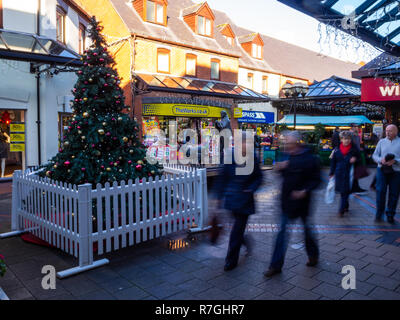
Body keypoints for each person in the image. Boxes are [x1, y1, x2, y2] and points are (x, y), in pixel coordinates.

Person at [264, 131, 320, 277]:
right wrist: (278, 168)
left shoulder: (309, 158)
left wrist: (305, 190)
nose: (286, 145)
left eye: (288, 142)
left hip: (303, 203)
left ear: (296, 142)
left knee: (308, 232)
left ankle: (313, 255)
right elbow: (281, 174)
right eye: (285, 142)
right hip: (287, 202)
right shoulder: (285, 155)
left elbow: (317, 180)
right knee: (282, 233)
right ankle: (275, 265)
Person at [216, 131, 263, 271]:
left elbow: (259, 177)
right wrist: (218, 197)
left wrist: (251, 189)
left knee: (236, 231)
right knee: (237, 229)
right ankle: (246, 242)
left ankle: (231, 260)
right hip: (231, 198)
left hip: (245, 199)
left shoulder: (253, 157)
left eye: (247, 142)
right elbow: (222, 177)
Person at [372, 124, 400, 224]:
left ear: (396, 132)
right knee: (380, 192)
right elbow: (375, 155)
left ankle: (390, 215)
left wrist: (396, 161)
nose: (387, 132)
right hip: (382, 170)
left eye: (390, 131)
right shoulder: (381, 142)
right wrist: (381, 160)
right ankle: (379, 214)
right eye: (386, 130)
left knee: (394, 194)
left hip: (396, 172)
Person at [329, 131, 361, 216]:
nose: (346, 140)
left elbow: (360, 160)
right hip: (339, 173)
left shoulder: (354, 149)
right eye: (344, 139)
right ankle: (345, 205)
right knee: (342, 191)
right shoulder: (336, 150)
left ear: (350, 139)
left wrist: (355, 160)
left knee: (345, 191)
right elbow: (333, 162)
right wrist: (331, 173)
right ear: (341, 139)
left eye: (348, 139)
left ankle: (341, 210)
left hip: (349, 173)